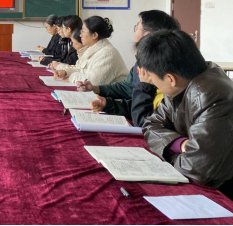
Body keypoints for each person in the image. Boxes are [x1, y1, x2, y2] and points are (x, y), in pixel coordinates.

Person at [141, 30, 233, 198]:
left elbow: (197, 169)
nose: (154, 84)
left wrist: (166, 157)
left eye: (153, 79)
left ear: (170, 78)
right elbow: (150, 125)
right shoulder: (181, 86)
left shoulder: (212, 97)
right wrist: (181, 144)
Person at [88, 11, 181, 127]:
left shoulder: (165, 77)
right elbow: (132, 94)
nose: (134, 31)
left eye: (136, 27)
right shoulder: (144, 64)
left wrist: (145, 86)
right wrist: (107, 103)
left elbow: (145, 121)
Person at [53, 16, 128, 85]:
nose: (80, 35)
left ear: (94, 35)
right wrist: (65, 72)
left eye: (83, 31)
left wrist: (71, 77)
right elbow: (80, 69)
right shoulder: (90, 49)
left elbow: (92, 82)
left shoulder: (108, 54)